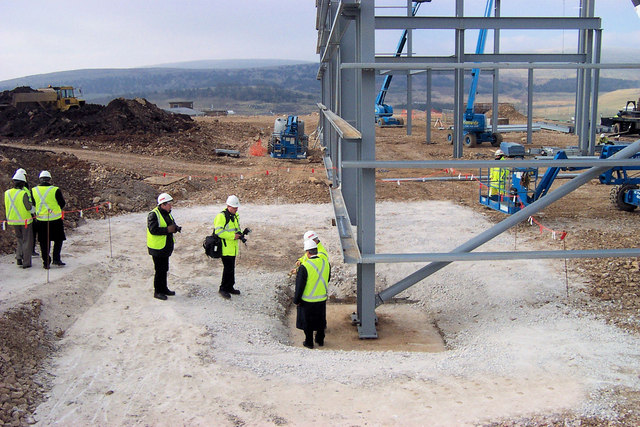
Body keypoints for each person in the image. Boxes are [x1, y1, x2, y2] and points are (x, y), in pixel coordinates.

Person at [294, 238, 331, 349]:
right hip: (321, 298)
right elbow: (328, 277)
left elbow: (300, 285)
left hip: (308, 300)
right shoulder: (325, 262)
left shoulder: (304, 266)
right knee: (320, 320)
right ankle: (320, 340)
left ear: (308, 252)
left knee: (308, 322)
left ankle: (309, 342)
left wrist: (297, 300)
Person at [147, 193, 181, 300]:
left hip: (165, 247)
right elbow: (153, 230)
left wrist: (176, 228)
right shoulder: (153, 215)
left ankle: (164, 288)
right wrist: (167, 230)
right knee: (159, 270)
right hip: (157, 248)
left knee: (164, 269)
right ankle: (158, 291)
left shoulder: (167, 213)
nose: (171, 206)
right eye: (169, 204)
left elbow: (171, 224)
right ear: (163, 204)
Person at [32, 170, 66, 268]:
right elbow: (62, 203)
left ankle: (46, 262)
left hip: (41, 220)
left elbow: (33, 203)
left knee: (43, 242)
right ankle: (56, 258)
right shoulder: (55, 189)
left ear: (40, 179)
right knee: (58, 239)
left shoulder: (34, 190)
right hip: (55, 219)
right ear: (49, 179)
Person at [214, 195, 244, 299]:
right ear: (228, 206)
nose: (236, 209)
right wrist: (233, 236)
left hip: (233, 247)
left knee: (231, 268)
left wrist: (239, 234)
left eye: (237, 208)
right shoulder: (221, 216)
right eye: (235, 208)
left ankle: (230, 286)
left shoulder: (234, 215)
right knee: (228, 268)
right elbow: (218, 231)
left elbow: (235, 228)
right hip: (225, 247)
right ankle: (223, 288)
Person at [4, 169, 34, 268]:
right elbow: (28, 207)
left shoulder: (7, 193)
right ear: (22, 183)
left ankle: (18, 258)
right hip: (25, 221)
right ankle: (26, 262)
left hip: (13, 220)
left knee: (19, 239)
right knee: (27, 241)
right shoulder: (22, 193)